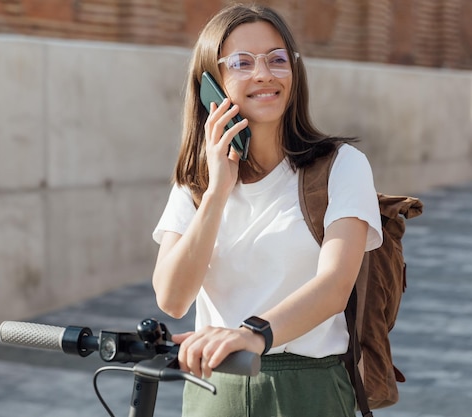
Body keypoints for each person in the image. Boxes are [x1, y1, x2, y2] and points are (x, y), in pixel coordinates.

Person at [152, 4, 382, 416]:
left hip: (307, 390)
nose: (264, 74)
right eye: (241, 62)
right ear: (211, 83)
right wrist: (218, 190)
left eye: (277, 59)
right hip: (214, 390)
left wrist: (254, 335)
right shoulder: (195, 182)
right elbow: (172, 298)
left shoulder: (340, 166)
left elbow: (334, 286)